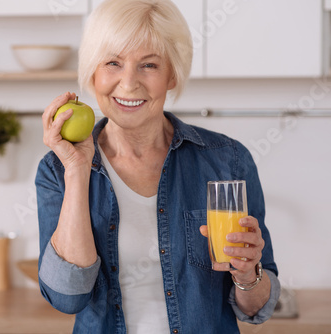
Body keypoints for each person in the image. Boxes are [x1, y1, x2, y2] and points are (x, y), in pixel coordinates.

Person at [35, 0, 280, 333]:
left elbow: (257, 308)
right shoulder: (57, 169)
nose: (129, 83)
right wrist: (78, 170)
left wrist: (247, 274)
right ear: (93, 71)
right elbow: (67, 298)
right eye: (112, 62)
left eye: (148, 65)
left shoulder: (228, 160)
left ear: (172, 75)